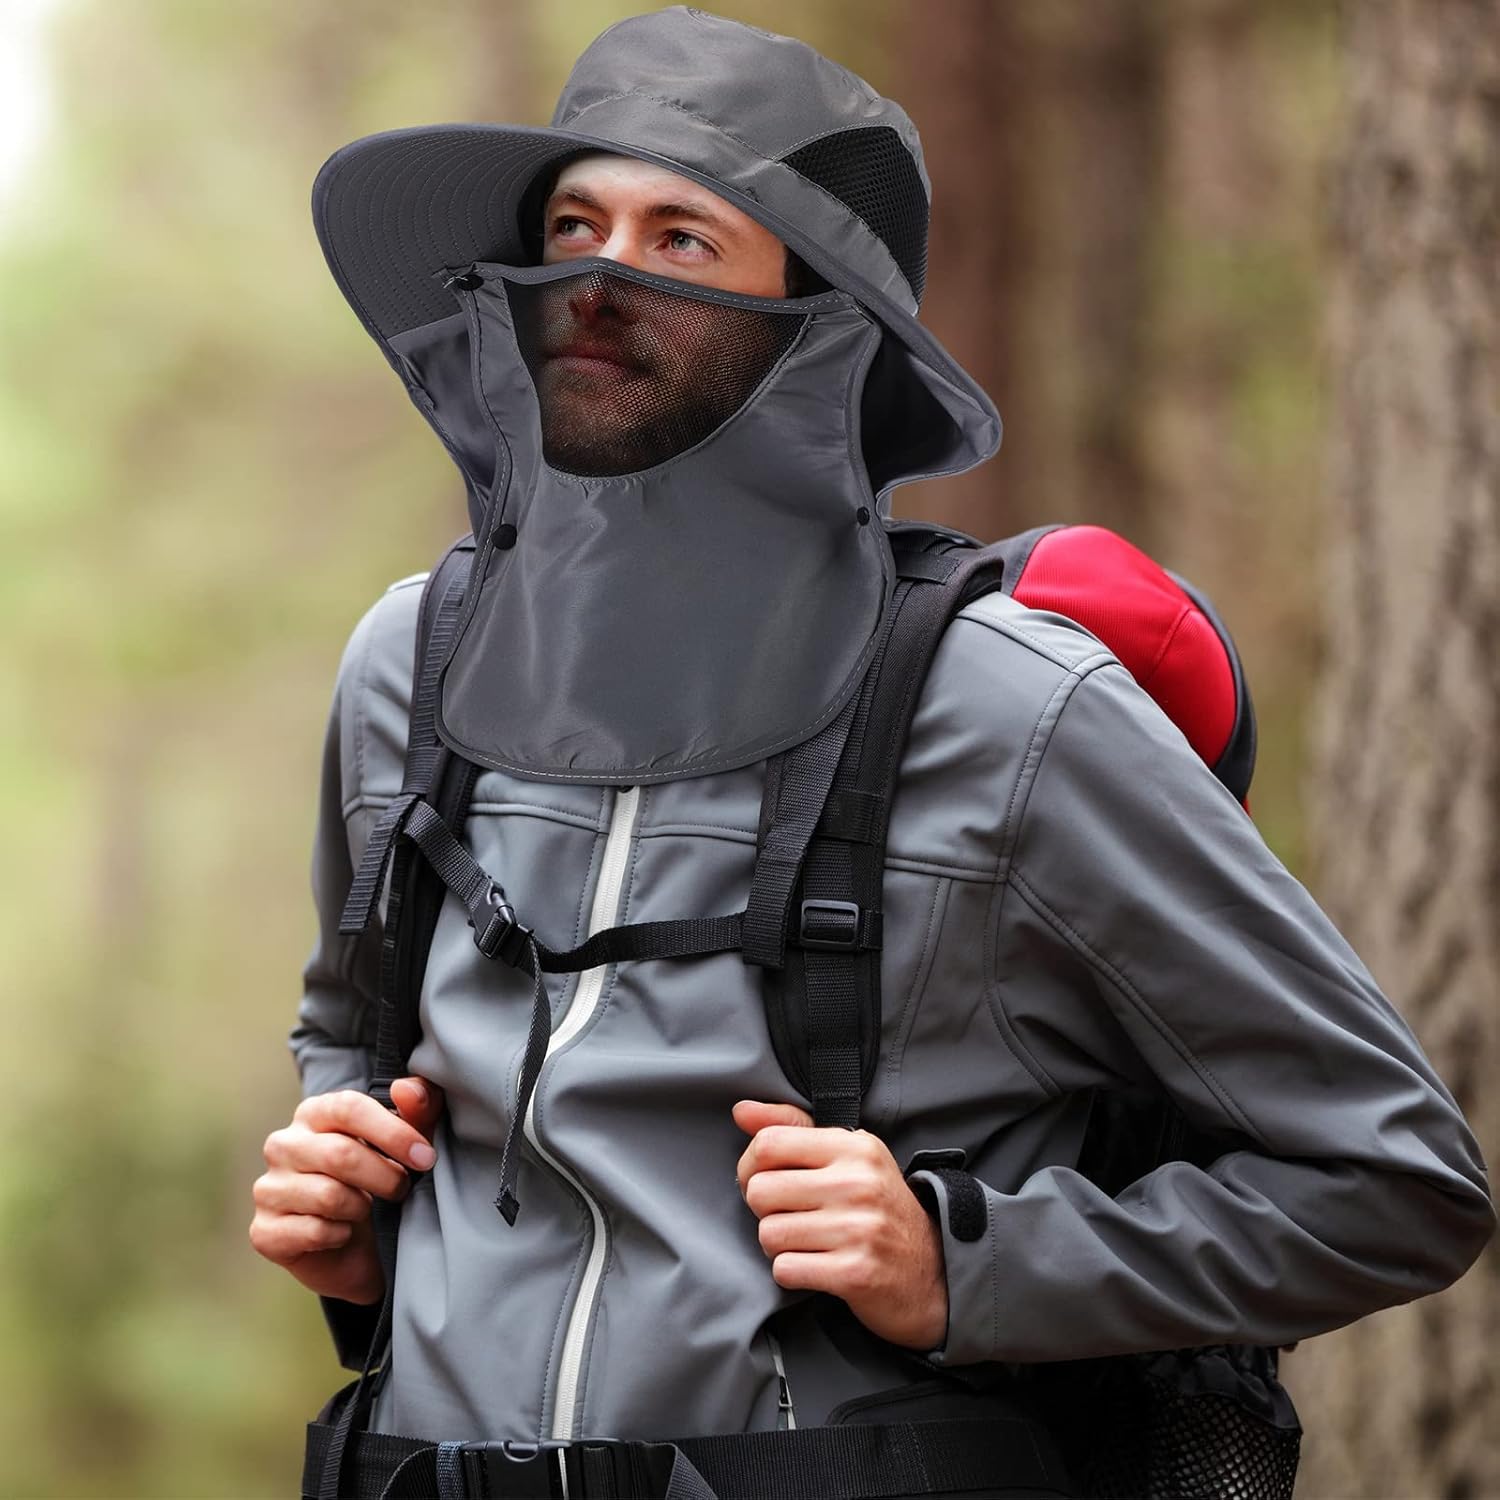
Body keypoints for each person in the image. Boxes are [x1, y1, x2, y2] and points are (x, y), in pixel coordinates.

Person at [251, 10, 1493, 1498]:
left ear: (821, 326)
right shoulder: (413, 664)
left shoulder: (1011, 710)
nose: (597, 279)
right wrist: (350, 1221)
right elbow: (351, 1034)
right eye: (574, 226)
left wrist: (966, 1266)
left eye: (682, 239)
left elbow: (1395, 1183)